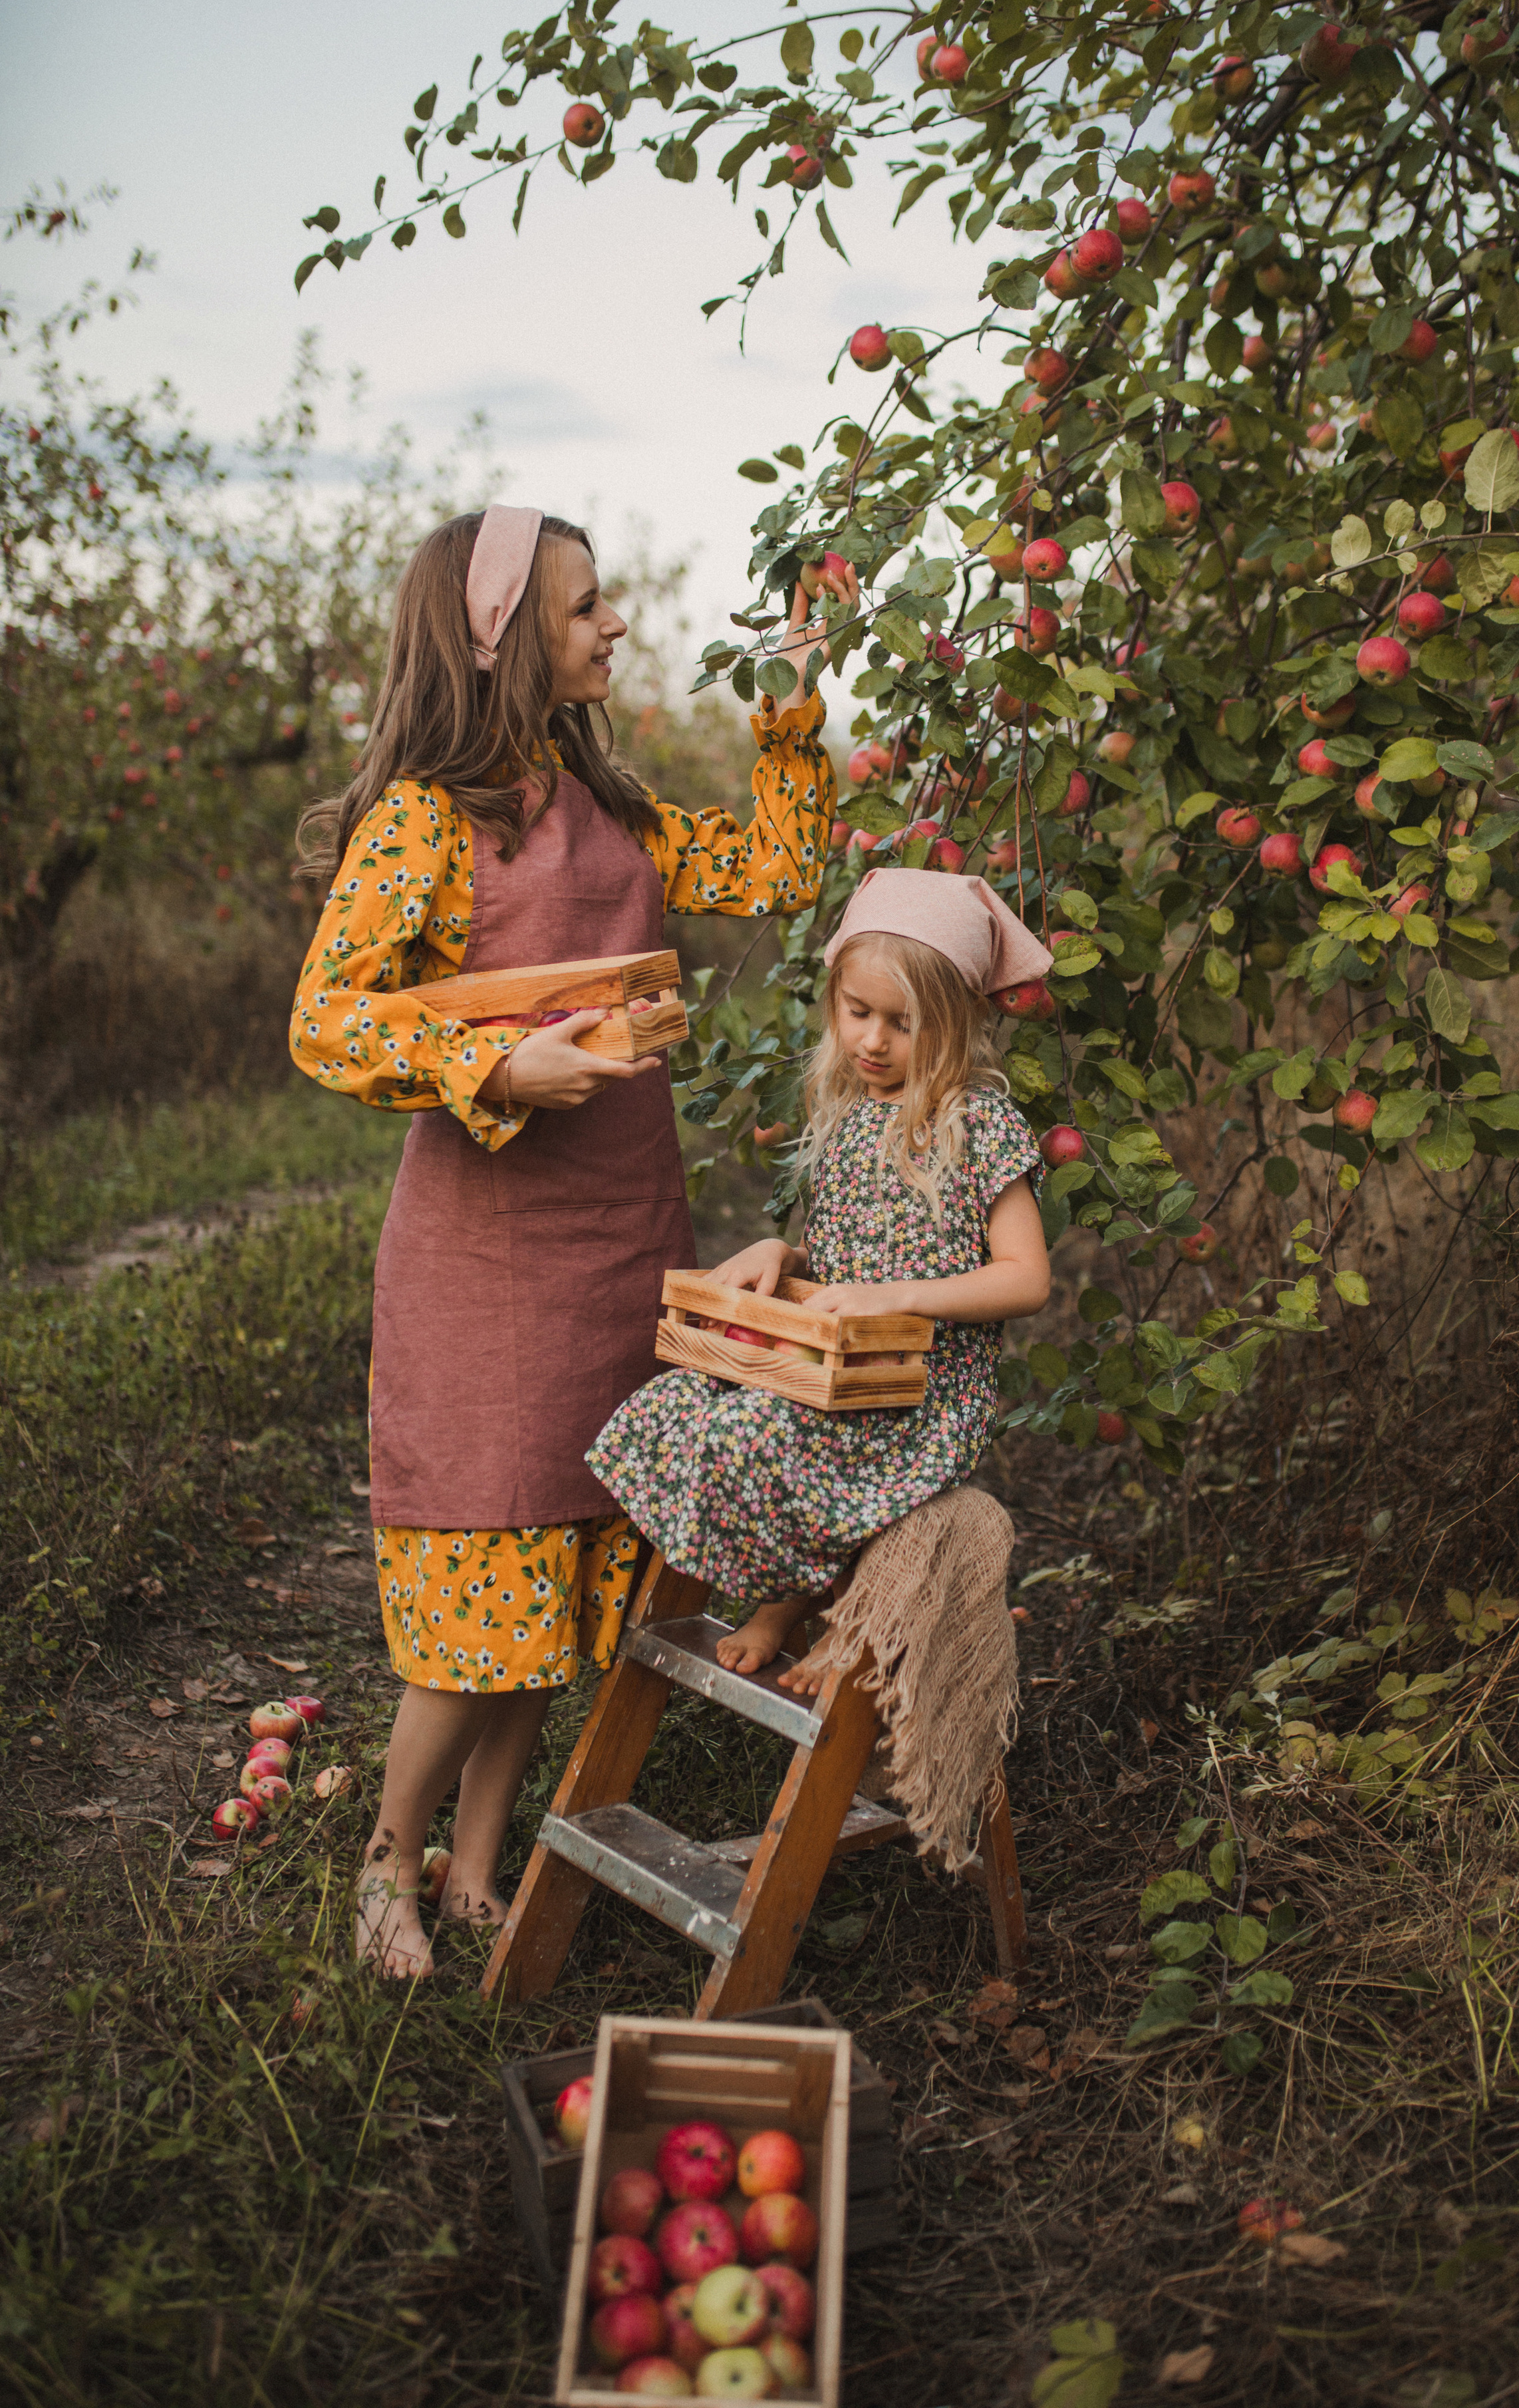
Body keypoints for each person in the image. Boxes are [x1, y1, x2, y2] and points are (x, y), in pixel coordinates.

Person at [289, 504, 849, 1979]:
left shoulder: (615, 808)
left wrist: (793, 709)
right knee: (481, 1571)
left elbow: (780, 873)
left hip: (617, 1236)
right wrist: (491, 1065)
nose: (613, 625)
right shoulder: (426, 819)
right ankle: (381, 1870)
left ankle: (478, 1872)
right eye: (585, 606)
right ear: (500, 637)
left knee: (553, 1577)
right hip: (483, 1262)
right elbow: (326, 1017)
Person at [590, 868, 1056, 1690]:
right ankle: (790, 1585)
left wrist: (896, 1297)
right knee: (670, 1409)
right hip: (825, 1372)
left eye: (902, 1024)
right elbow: (845, 1250)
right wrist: (786, 1256)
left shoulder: (979, 1124)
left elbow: (1026, 1279)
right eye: (857, 1013)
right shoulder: (845, 1113)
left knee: (752, 1439)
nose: (872, 1041)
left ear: (953, 1023)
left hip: (915, 1394)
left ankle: (801, 1596)